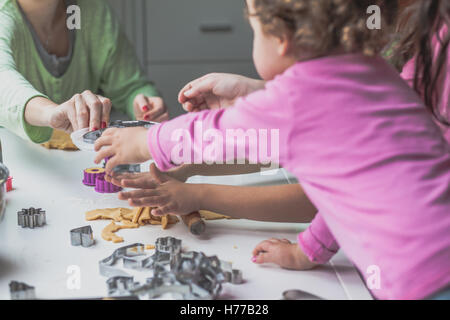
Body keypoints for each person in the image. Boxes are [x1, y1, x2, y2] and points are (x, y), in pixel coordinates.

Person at [93, 0, 450, 299]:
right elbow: (350, 196)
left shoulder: (299, 95)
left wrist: (145, 142)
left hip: (419, 282)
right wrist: (308, 250)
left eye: (254, 29)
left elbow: (213, 133)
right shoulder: (374, 75)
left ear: (280, 38)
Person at [0, 0, 168, 148]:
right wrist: (51, 112)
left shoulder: (89, 11)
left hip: (79, 163)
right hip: (14, 160)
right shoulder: (4, 14)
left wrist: (144, 105)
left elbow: (131, 87)